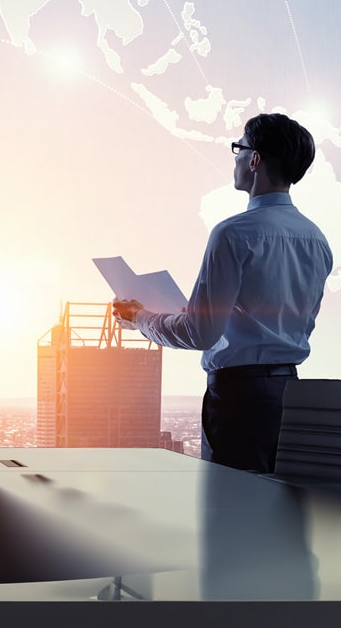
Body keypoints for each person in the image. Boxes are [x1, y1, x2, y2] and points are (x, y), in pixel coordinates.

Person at [114, 113, 334, 473]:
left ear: (254, 160)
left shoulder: (232, 233)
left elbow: (200, 333)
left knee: (230, 502)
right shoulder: (316, 240)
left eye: (238, 148)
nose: (235, 158)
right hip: (291, 397)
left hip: (238, 400)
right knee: (277, 503)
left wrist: (139, 318)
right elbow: (274, 315)